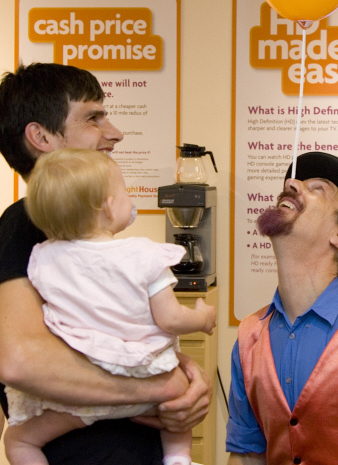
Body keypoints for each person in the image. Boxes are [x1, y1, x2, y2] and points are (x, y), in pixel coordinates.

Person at [0, 63, 212, 465]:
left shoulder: (74, 235)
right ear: (41, 136)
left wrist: (187, 375)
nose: (114, 132)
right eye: (93, 118)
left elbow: (112, 335)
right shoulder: (25, 223)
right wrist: (161, 387)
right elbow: (20, 360)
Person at [226, 151, 338, 465]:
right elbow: (247, 455)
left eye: (318, 188)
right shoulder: (248, 337)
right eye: (297, 181)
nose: (291, 184)